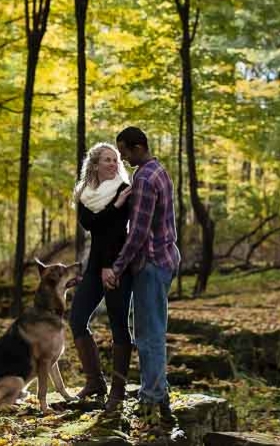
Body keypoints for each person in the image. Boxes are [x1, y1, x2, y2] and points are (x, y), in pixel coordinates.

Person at [102, 126, 180, 425]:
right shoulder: (159, 170)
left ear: (137, 148)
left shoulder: (145, 178)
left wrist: (118, 266)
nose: (122, 159)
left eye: (124, 153)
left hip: (151, 263)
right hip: (164, 258)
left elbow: (137, 233)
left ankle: (153, 401)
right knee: (152, 331)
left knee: (149, 336)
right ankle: (157, 394)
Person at [69, 142, 134, 409]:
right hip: (96, 265)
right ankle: (95, 381)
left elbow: (116, 230)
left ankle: (118, 391)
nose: (114, 164)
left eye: (116, 159)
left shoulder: (124, 189)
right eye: (107, 160)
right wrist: (114, 207)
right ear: (94, 165)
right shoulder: (85, 193)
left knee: (118, 323)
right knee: (77, 318)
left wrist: (111, 266)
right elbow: (91, 224)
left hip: (119, 263)